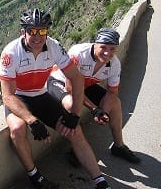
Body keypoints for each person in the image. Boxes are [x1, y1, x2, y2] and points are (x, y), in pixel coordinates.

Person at [0, 8, 111, 189]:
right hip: (18, 98)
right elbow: (8, 96)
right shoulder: (10, 53)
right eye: (32, 31)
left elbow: (76, 77)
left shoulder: (54, 46)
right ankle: (35, 177)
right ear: (23, 32)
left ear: (47, 32)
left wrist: (75, 114)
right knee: (18, 129)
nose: (37, 36)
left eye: (42, 31)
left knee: (75, 130)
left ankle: (99, 180)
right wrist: (32, 121)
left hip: (40, 95)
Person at [48, 27, 141, 164]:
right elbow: (71, 88)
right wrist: (94, 109)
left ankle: (119, 146)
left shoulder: (114, 64)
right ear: (95, 44)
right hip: (59, 81)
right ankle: (77, 150)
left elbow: (112, 93)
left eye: (112, 49)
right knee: (73, 104)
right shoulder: (79, 53)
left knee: (115, 103)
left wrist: (105, 112)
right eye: (103, 47)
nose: (107, 53)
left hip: (84, 84)